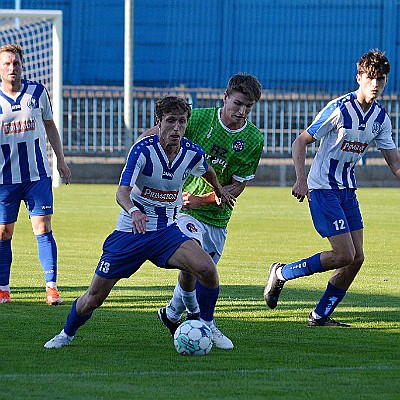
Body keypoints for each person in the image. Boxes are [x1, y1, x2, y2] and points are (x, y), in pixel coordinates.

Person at [44, 95, 235, 349]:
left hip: (166, 233)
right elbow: (121, 192)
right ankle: (66, 334)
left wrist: (219, 189)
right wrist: (134, 211)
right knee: (94, 298)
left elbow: (207, 169)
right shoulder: (143, 150)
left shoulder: (191, 153)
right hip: (131, 233)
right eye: (170, 121)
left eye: (181, 122)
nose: (176, 128)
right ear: (158, 122)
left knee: (207, 268)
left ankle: (207, 325)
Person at [264, 50, 400, 326]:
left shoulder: (380, 119)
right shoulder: (339, 108)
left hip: (347, 189)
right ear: (359, 77)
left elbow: (395, 164)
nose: (376, 84)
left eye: (381, 79)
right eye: (371, 78)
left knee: (356, 258)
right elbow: (300, 141)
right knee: (343, 254)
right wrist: (301, 179)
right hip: (322, 187)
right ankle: (282, 273)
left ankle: (320, 315)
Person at [137, 73, 263, 349]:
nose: (241, 112)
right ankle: (205, 321)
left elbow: (236, 186)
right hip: (182, 211)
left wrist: (203, 200)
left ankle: (171, 314)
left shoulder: (253, 139)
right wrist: (137, 155)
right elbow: (156, 136)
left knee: (199, 272)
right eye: (238, 103)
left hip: (216, 217)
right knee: (195, 257)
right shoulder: (198, 119)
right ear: (225, 97)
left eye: (248, 107)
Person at [0, 43, 71, 305]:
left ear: (22, 65)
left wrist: (60, 161)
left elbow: (50, 126)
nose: (11, 68)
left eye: (15, 63)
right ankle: (3, 288)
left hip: (36, 176)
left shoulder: (38, 92)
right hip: (4, 180)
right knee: (3, 233)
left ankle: (51, 287)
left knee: (43, 228)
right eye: (6, 63)